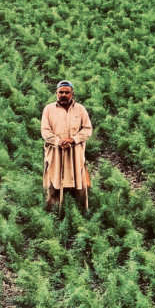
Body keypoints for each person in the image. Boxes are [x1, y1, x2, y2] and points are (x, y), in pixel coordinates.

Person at [41, 80, 93, 211]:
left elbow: (87, 129)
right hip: (55, 154)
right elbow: (45, 132)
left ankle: (80, 214)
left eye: (67, 92)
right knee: (54, 182)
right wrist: (58, 142)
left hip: (76, 153)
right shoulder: (49, 109)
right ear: (56, 93)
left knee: (79, 183)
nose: (63, 94)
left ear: (72, 94)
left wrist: (73, 139)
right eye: (61, 92)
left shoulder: (80, 109)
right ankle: (53, 214)